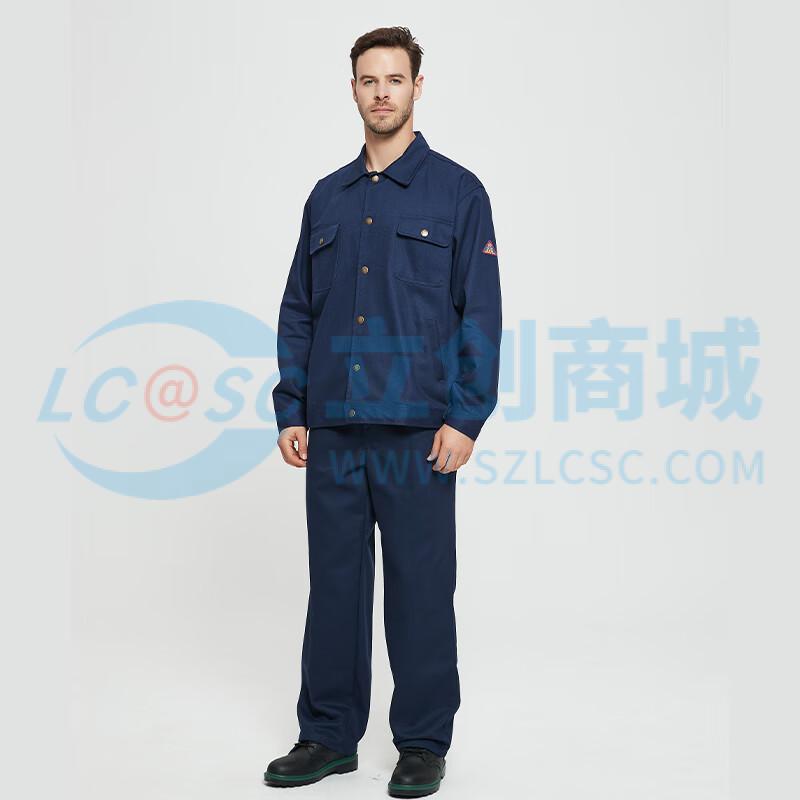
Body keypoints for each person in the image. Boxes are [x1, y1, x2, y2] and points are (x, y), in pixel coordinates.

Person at [265, 26, 502, 798]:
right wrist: (292, 407)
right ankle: (328, 735)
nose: (381, 93)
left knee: (421, 588)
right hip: (333, 425)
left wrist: (466, 417)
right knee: (334, 587)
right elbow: (299, 309)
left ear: (417, 87)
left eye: (394, 79)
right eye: (369, 80)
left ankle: (423, 743)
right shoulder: (326, 197)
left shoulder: (458, 193)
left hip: (417, 429)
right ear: (354, 89)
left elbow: (480, 313)